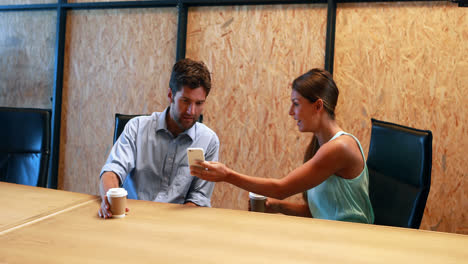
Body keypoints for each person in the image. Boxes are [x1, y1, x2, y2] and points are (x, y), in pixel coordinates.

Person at [190, 68, 374, 223]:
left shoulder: (339, 148)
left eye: (296, 104)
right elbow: (321, 212)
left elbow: (281, 189)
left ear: (318, 106)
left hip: (351, 241)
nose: (290, 112)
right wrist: (277, 206)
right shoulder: (321, 146)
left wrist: (227, 175)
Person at [98, 58, 220, 219]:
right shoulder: (137, 128)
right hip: (131, 218)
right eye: (185, 101)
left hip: (176, 226)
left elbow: (199, 198)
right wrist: (109, 199)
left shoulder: (209, 141)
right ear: (170, 95)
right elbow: (112, 171)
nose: (191, 111)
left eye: (199, 103)